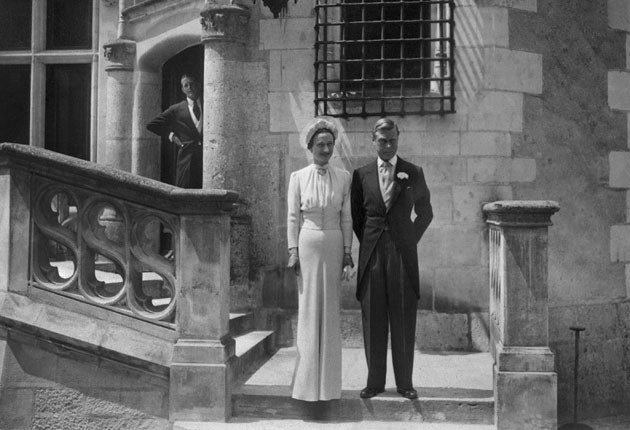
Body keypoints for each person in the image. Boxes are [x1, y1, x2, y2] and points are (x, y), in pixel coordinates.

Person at [350, 118, 433, 400]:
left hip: (401, 254)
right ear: (373, 140)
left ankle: (405, 383)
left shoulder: (413, 172)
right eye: (382, 140)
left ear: (398, 139)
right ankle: (374, 383)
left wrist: (408, 240)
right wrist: (372, 242)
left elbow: (426, 213)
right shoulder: (361, 175)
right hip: (372, 253)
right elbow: (357, 218)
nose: (387, 145)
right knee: (373, 315)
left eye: (392, 140)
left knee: (402, 315)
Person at [286, 117, 354, 401]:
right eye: (320, 144)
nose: (325, 149)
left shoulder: (344, 177)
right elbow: (292, 217)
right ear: (311, 146)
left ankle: (328, 388)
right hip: (308, 244)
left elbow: (347, 217)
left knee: (330, 310)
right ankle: (306, 387)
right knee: (309, 309)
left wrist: (349, 252)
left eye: (329, 144)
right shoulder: (298, 177)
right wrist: (292, 251)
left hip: (335, 244)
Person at [147, 74, 203, 188]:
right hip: (186, 160)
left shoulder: (209, 105)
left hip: (205, 159)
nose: (189, 87)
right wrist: (172, 136)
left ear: (198, 85)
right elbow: (152, 125)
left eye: (192, 84)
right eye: (186, 85)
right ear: (182, 89)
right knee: (185, 192)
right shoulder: (176, 109)